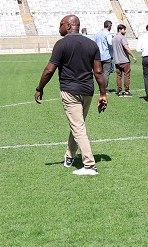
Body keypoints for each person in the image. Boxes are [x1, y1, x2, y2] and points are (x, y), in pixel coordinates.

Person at [33, 14, 107, 176]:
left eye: (60, 24)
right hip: (88, 90)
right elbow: (98, 71)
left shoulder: (61, 44)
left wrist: (39, 88)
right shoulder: (91, 44)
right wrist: (103, 93)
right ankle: (69, 156)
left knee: (78, 127)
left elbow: (49, 70)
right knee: (77, 124)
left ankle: (89, 165)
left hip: (70, 91)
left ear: (68, 26)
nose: (58, 27)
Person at [110, 23, 134, 97]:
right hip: (124, 60)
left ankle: (119, 91)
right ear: (120, 30)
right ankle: (126, 91)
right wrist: (133, 56)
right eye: (124, 29)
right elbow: (126, 48)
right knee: (127, 76)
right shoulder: (122, 37)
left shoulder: (113, 38)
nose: (125, 31)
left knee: (119, 76)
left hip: (117, 60)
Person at [93, 20, 115, 85]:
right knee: (106, 73)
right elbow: (110, 43)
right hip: (106, 55)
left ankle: (101, 87)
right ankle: (104, 89)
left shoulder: (98, 33)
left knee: (100, 73)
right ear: (109, 26)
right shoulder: (107, 33)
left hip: (98, 56)